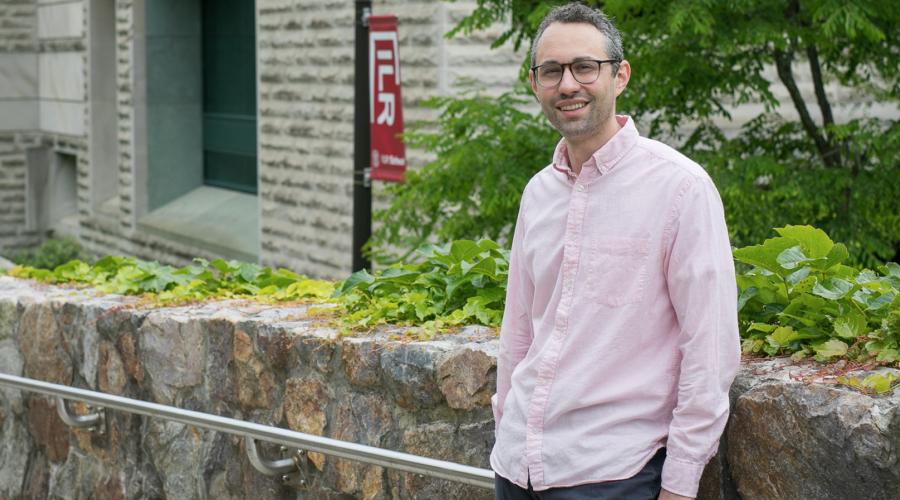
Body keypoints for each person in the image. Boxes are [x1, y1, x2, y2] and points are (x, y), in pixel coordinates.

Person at [490, 3, 741, 500]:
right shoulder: (537, 193)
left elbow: (710, 348)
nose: (567, 85)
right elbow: (518, 328)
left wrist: (681, 481)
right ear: (534, 82)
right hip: (517, 467)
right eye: (552, 71)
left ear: (619, 75)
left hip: (614, 474)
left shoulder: (681, 188)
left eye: (585, 67)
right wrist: (504, 428)